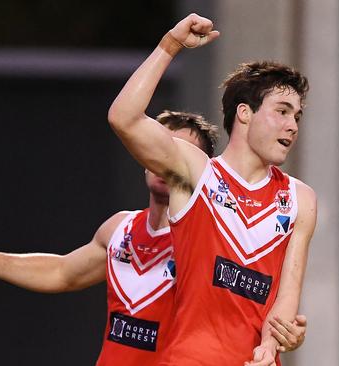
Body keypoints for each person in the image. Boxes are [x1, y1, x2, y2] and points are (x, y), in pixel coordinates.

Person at [0, 111, 307, 365]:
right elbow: (63, 273)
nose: (165, 161)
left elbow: (257, 306)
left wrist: (285, 334)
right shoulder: (120, 229)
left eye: (178, 154)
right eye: (158, 149)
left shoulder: (215, 239)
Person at [107, 13, 317, 366]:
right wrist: (170, 45)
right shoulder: (194, 171)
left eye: (296, 116)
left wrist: (275, 343)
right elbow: (123, 118)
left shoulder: (300, 198)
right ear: (245, 113)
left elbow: (286, 298)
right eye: (281, 111)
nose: (291, 126)